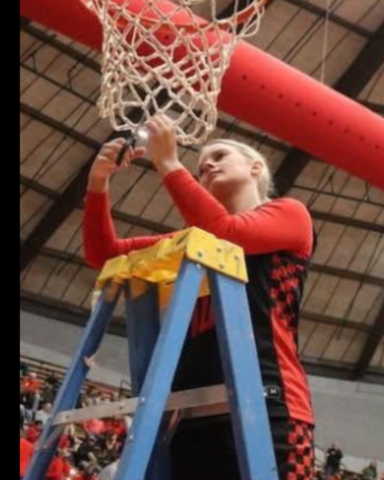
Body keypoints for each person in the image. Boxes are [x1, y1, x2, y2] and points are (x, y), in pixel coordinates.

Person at [83, 117, 317, 480]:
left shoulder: (290, 213)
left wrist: (170, 164)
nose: (207, 165)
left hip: (271, 404)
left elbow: (228, 231)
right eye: (200, 165)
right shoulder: (190, 243)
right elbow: (106, 255)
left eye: (220, 155)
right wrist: (98, 185)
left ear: (256, 167)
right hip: (191, 410)